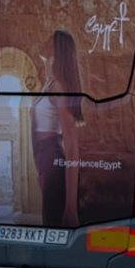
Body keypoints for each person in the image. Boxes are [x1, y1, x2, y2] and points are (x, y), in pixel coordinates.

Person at [32, 30, 84, 227]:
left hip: (52, 159)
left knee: (54, 226)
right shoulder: (51, 83)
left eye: (49, 39)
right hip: (45, 161)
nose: (44, 41)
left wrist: (71, 207)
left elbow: (71, 142)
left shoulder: (59, 87)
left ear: (56, 49)